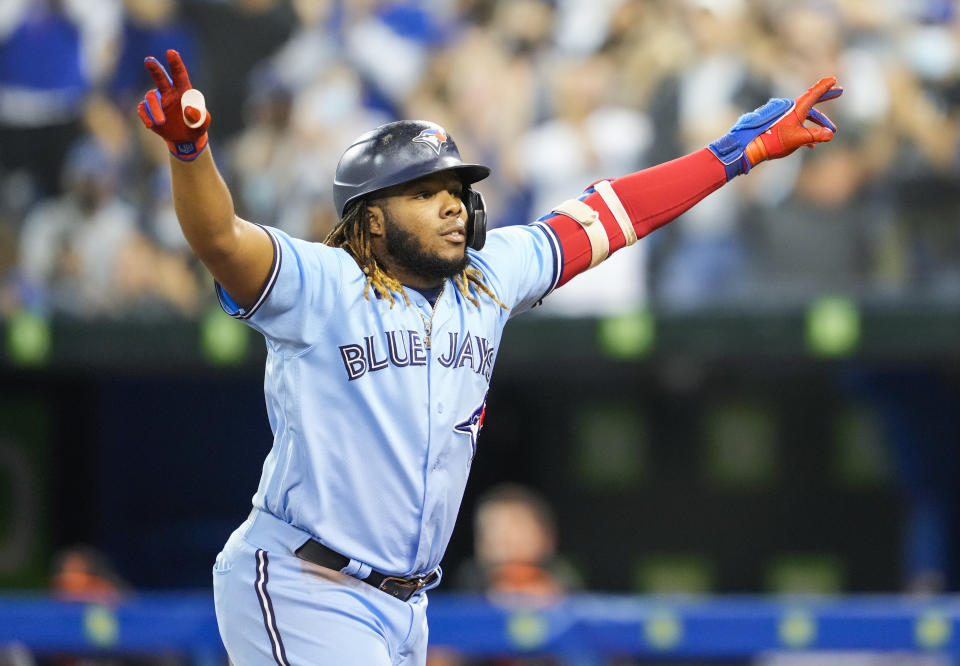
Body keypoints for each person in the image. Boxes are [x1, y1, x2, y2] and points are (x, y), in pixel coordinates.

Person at [136, 49, 841, 666]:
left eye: (455, 191)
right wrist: (191, 153)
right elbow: (223, 241)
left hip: (407, 602)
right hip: (303, 582)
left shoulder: (490, 274)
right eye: (424, 193)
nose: (451, 207)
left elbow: (615, 212)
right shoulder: (322, 283)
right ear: (371, 217)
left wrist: (733, 153)